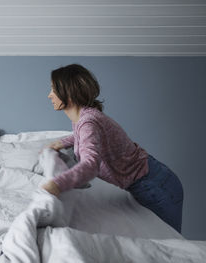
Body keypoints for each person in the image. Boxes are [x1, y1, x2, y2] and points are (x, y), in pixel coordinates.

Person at [42, 63, 184, 233]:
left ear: (69, 94)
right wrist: (63, 142)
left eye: (53, 89)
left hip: (156, 186)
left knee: (169, 246)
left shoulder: (88, 122)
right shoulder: (82, 119)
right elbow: (87, 137)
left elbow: (90, 164)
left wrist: (57, 184)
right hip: (151, 181)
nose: (49, 95)